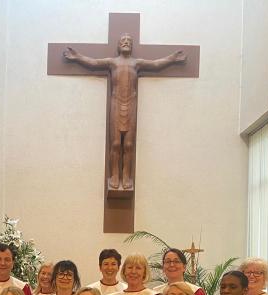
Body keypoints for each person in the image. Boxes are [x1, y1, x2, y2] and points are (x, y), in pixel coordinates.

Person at [64, 36, 187, 191]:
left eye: (129, 40)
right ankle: (115, 174)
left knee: (128, 144)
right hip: (116, 103)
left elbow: (155, 64)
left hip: (131, 105)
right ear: (118, 45)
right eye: (122, 40)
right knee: (115, 143)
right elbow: (94, 63)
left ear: (132, 45)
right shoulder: (112, 62)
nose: (126, 42)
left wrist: (172, 58)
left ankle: (126, 175)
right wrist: (77, 57)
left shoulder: (137, 63)